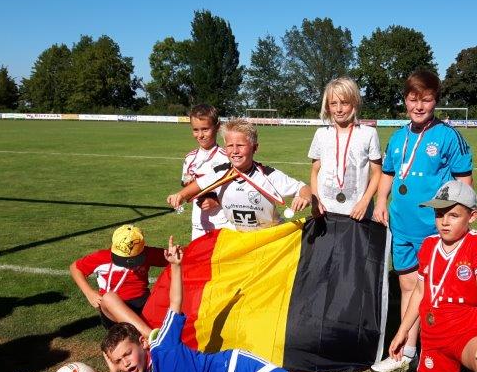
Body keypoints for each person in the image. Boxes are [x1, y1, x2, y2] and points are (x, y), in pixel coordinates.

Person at [98, 237, 398, 372]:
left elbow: (176, 302)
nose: (126, 363)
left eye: (127, 354)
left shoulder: (163, 344)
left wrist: (176, 266)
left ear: (142, 343)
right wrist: (112, 371)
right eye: (120, 361)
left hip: (232, 367)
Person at [372, 70, 474, 372]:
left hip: (433, 228)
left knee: (431, 290)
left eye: (426, 100)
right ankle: (406, 351)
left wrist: (458, 219)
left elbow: (464, 182)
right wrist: (381, 201)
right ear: (405, 100)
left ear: (435, 101)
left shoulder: (448, 136)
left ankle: (437, 349)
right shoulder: (397, 137)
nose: (419, 106)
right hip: (401, 226)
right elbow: (388, 173)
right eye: (413, 99)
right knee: (407, 285)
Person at [388, 180, 477, 372]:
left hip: (467, 332)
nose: (444, 222)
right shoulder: (429, 245)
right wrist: (402, 331)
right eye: (439, 214)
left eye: (453, 215)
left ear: (472, 216)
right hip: (433, 337)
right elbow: (420, 291)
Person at [167, 119, 315, 232]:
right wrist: (180, 195)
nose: (235, 151)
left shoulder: (268, 175)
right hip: (239, 241)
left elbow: (303, 188)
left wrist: (304, 197)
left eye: (240, 145)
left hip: (269, 238)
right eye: (230, 146)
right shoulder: (220, 172)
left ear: (254, 148)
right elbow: (199, 184)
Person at [308, 77, 381, 220]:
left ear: (354, 103)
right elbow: (315, 171)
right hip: (325, 211)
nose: (339, 109)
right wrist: (316, 200)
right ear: (327, 106)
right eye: (333, 103)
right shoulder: (321, 134)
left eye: (344, 103)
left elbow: (377, 173)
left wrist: (365, 201)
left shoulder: (369, 133)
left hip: (357, 212)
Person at [69, 224, 168, 328]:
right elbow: (75, 267)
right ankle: (147, 333)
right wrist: (89, 293)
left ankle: (147, 329)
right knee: (109, 298)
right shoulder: (102, 257)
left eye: (134, 259)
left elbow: (171, 257)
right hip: (114, 307)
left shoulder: (148, 253)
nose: (129, 264)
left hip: (143, 301)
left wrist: (176, 253)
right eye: (123, 259)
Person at [180, 104, 233, 240]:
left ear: (217, 126)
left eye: (205, 129)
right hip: (198, 225)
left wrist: (216, 201)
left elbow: (237, 191)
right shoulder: (189, 158)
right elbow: (186, 188)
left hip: (223, 223)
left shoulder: (227, 157)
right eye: (196, 130)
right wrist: (186, 190)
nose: (200, 135)